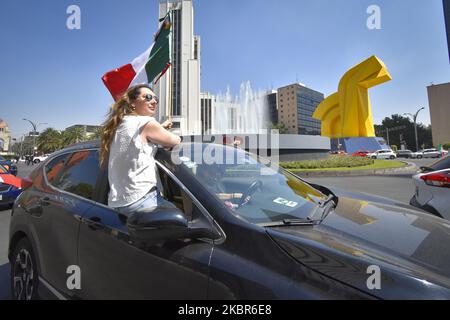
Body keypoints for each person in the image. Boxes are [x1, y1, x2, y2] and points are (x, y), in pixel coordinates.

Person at [100, 84, 181, 215]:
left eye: (156, 99)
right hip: (143, 200)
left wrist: (160, 128)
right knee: (186, 222)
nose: (154, 101)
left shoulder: (122, 124)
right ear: (132, 103)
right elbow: (175, 141)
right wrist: (164, 131)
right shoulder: (147, 122)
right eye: (148, 97)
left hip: (118, 204)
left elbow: (133, 143)